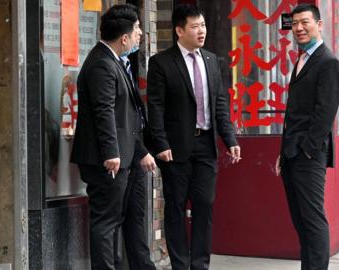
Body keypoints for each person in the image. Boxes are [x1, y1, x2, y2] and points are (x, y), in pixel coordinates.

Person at [146, 4, 241, 270]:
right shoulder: (161, 63)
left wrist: (230, 139)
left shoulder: (211, 60)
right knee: (175, 207)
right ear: (179, 31)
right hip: (175, 149)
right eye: (195, 27)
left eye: (203, 26)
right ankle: (179, 263)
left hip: (206, 145)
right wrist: (160, 143)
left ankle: (199, 264)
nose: (202, 31)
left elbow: (220, 103)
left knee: (205, 204)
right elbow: (155, 106)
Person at [70, 4, 156, 270]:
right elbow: (103, 112)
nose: (141, 34)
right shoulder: (100, 64)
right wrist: (111, 153)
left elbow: (127, 115)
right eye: (138, 29)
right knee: (106, 223)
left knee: (128, 219)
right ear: (124, 38)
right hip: (107, 160)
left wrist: (140, 151)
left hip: (126, 156)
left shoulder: (116, 61)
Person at [275, 4, 339, 270]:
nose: (299, 28)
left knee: (313, 220)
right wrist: (284, 151)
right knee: (301, 220)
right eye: (294, 24)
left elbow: (324, 115)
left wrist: (306, 149)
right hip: (293, 153)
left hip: (308, 154)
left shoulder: (328, 63)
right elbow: (295, 113)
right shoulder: (302, 59)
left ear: (319, 24)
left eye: (305, 22)